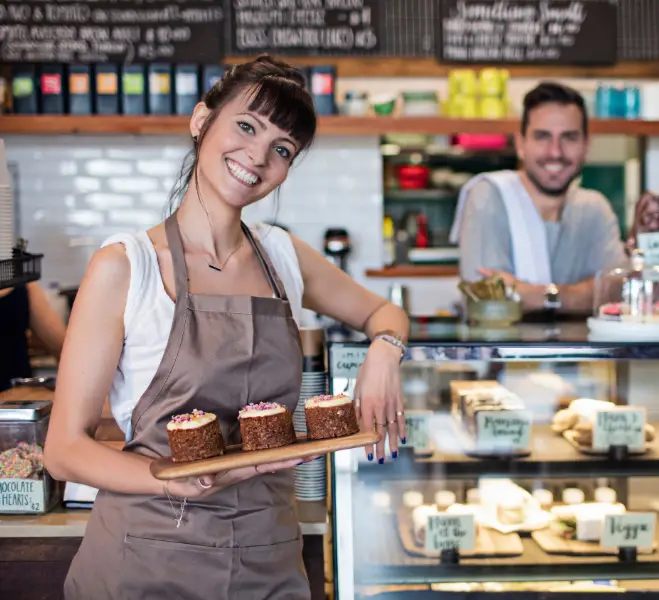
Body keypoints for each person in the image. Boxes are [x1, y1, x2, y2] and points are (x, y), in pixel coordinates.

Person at [44, 55, 409, 600]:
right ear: (200, 121)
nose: (258, 157)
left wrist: (384, 351)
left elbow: (386, 313)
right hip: (147, 559)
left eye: (282, 149)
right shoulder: (126, 265)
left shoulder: (283, 255)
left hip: (269, 558)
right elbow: (64, 450)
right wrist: (171, 476)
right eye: (246, 126)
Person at [450, 82, 627, 313]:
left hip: (584, 349)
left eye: (569, 137)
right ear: (520, 144)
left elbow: (616, 293)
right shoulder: (488, 196)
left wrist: (533, 295)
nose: (555, 152)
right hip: (504, 350)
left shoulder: (594, 209)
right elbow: (487, 303)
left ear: (586, 145)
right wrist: (581, 294)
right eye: (542, 136)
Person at [0, 282, 66, 391]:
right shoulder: (25, 285)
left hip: (17, 398)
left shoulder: (25, 284)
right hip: (18, 396)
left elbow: (62, 348)